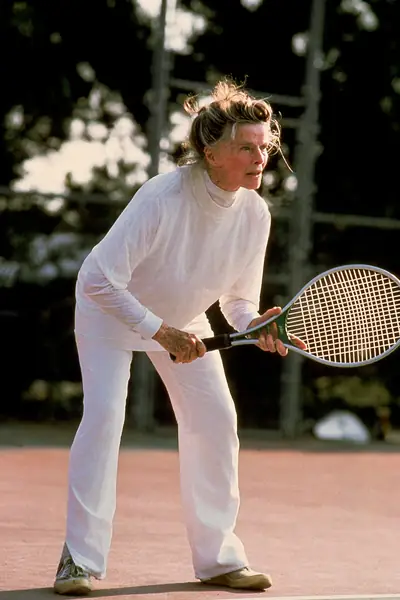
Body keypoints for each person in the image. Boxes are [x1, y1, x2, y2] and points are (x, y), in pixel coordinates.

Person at [53, 78, 305, 596]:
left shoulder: (255, 214)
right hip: (109, 313)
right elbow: (99, 278)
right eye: (246, 147)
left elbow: (236, 303)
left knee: (216, 420)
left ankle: (218, 559)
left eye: (266, 146)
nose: (261, 157)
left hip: (183, 320)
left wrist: (255, 326)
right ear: (211, 153)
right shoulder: (162, 196)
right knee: (104, 420)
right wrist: (158, 331)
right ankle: (79, 561)